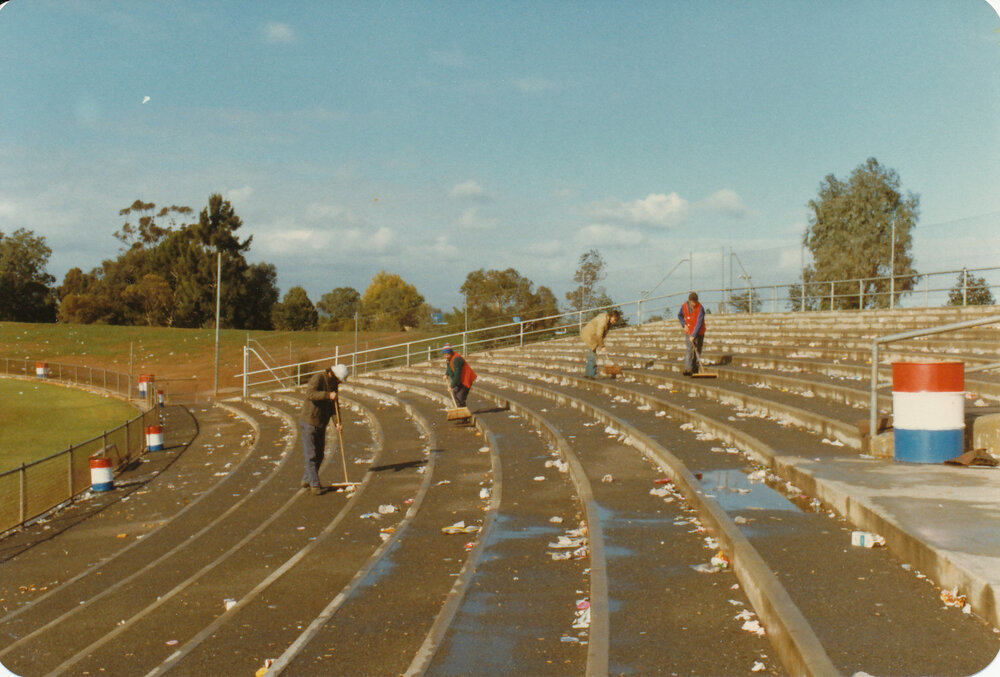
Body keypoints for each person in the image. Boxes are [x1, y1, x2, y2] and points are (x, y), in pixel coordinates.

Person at [300, 363, 349, 495]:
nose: (339, 383)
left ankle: (307, 479)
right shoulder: (318, 378)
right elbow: (310, 394)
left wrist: (337, 422)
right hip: (309, 421)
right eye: (339, 380)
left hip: (321, 423)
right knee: (311, 455)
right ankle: (315, 485)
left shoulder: (334, 385)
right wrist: (327, 395)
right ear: (333, 375)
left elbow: (334, 406)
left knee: (320, 454)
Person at [580, 308, 622, 378]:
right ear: (611, 316)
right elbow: (599, 334)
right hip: (589, 335)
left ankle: (587, 374)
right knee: (592, 355)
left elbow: (602, 334)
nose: (615, 322)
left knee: (591, 353)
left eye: (616, 321)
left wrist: (601, 345)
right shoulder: (603, 320)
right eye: (615, 320)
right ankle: (592, 374)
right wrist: (602, 346)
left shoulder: (608, 321)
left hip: (593, 336)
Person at [677, 292, 706, 376]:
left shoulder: (700, 308)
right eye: (693, 303)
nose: (694, 305)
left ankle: (695, 367)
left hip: (699, 331)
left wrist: (694, 335)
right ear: (689, 301)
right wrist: (684, 324)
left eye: (696, 302)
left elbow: (699, 323)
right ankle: (688, 368)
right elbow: (679, 316)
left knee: (698, 349)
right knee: (689, 349)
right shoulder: (684, 306)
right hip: (689, 330)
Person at [442, 344, 476, 408]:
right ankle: (460, 409)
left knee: (460, 397)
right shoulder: (450, 359)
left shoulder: (456, 360)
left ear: (451, 353)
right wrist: (446, 374)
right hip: (460, 380)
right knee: (455, 393)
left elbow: (457, 375)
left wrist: (451, 386)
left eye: (447, 354)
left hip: (465, 379)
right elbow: (449, 368)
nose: (446, 356)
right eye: (444, 355)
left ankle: (463, 410)